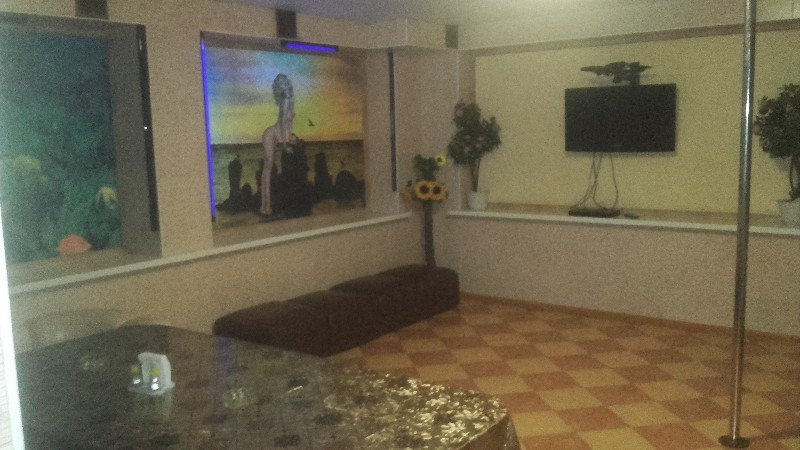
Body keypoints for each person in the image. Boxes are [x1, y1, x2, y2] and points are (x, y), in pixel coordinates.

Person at [260, 73, 295, 216]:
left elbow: (288, 125)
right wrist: (285, 145)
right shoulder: (285, 100)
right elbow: (282, 124)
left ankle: (266, 205)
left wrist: (289, 139)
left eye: (284, 82)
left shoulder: (290, 99)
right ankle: (266, 205)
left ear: (287, 82)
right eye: (280, 84)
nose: (283, 85)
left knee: (268, 168)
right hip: (271, 134)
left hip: (277, 135)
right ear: (279, 88)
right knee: (268, 167)